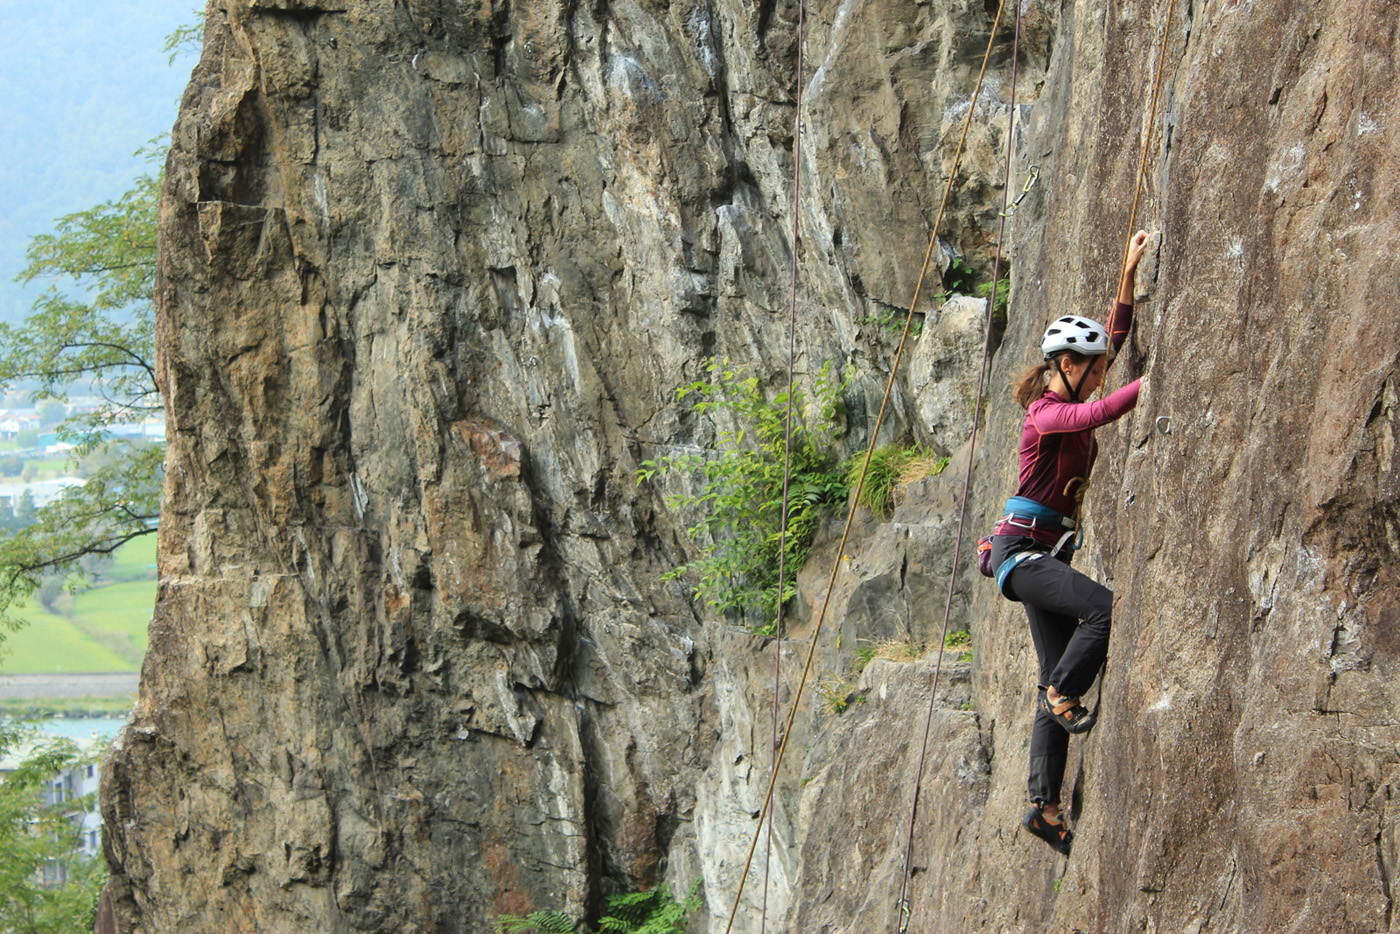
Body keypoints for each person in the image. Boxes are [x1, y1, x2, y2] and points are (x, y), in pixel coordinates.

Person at [988, 229, 1151, 855]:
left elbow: (1114, 339)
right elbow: (1095, 413)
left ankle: (1043, 805)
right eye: (1092, 367)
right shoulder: (1047, 414)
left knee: (1051, 675)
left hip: (1043, 554)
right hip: (1021, 555)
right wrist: (1153, 382)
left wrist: (1128, 271)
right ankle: (1062, 692)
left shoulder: (1081, 377)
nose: (1101, 373)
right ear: (1065, 367)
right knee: (1101, 610)